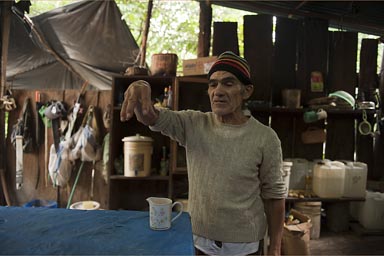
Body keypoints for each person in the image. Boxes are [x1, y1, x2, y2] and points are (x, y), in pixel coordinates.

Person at [120, 51, 286, 256]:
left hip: (245, 245)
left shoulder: (265, 137)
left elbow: (275, 197)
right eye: (213, 84)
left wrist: (275, 248)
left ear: (246, 91)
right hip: (200, 241)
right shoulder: (194, 124)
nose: (218, 91)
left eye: (228, 83)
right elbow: (151, 116)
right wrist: (142, 86)